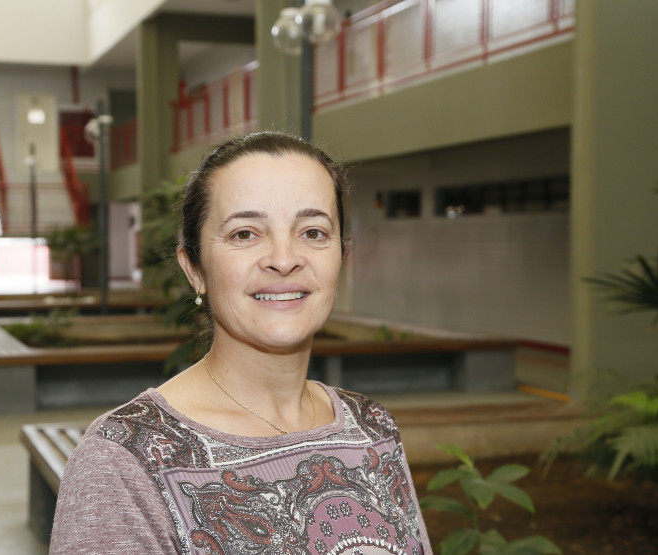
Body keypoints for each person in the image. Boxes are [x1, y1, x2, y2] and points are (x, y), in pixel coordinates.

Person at [50, 131, 431, 554]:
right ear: (194, 268)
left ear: (341, 256)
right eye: (245, 234)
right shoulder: (126, 459)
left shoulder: (373, 428)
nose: (284, 259)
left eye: (313, 232)